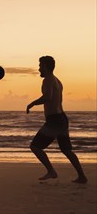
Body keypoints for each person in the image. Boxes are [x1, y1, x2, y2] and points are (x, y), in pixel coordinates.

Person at [26, 56, 87, 184]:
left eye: (41, 66)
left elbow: (48, 97)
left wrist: (32, 103)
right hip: (62, 118)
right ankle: (82, 176)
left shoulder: (48, 80)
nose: (39, 69)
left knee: (35, 146)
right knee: (66, 150)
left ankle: (51, 171)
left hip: (55, 120)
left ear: (46, 67)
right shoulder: (57, 81)